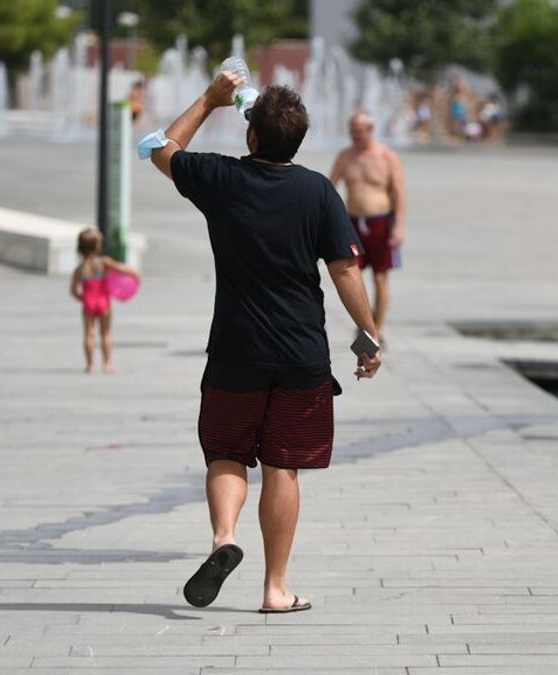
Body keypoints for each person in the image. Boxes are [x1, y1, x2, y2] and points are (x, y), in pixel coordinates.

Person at [146, 73, 381, 613]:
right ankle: (276, 589)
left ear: (251, 135)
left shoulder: (220, 177)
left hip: (235, 350)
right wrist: (368, 338)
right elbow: (345, 271)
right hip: (301, 355)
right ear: (296, 141)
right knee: (283, 466)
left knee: (226, 452)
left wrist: (209, 99)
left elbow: (161, 149)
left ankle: (224, 539)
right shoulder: (318, 190)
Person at [329, 112, 407, 343]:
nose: (356, 137)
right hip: (353, 223)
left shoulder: (387, 157)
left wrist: (399, 227)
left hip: (381, 222)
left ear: (370, 130)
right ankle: (365, 325)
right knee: (352, 276)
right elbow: (329, 189)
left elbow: (399, 194)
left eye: (360, 132)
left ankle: (378, 330)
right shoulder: (345, 157)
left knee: (380, 278)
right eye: (352, 132)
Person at [69, 228, 140, 374]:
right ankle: (107, 364)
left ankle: (90, 365)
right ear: (98, 246)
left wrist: (82, 298)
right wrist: (136, 276)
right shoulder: (103, 263)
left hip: (88, 302)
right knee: (106, 333)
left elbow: (73, 290)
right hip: (103, 302)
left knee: (89, 334)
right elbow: (124, 270)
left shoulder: (79, 269)